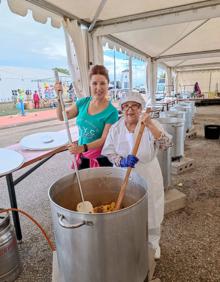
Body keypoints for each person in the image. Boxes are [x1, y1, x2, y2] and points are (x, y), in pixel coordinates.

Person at [101, 91, 172, 259]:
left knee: (152, 208)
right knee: (127, 209)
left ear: (140, 109)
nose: (130, 110)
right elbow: (109, 152)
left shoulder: (149, 123)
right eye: (126, 106)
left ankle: (153, 243)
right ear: (122, 109)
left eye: (134, 106)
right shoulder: (116, 128)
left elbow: (167, 143)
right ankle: (131, 240)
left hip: (148, 172)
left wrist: (150, 126)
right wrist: (121, 161)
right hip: (125, 175)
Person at [55, 65, 118, 169]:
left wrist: (82, 147)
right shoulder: (82, 103)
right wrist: (58, 97)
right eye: (94, 83)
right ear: (90, 84)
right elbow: (62, 117)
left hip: (101, 158)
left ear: (108, 85)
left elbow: (104, 139)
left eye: (102, 83)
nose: (98, 88)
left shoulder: (112, 112)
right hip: (82, 155)